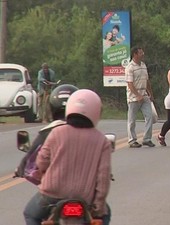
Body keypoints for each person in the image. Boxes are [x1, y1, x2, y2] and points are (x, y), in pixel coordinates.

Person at [22, 89, 112, 225]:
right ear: (96, 112)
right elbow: (103, 178)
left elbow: (42, 161)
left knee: (30, 214)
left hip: (51, 194)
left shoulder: (56, 133)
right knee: (105, 214)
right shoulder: (102, 141)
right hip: (85, 197)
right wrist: (99, 205)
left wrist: (43, 171)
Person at [125, 46, 155, 148]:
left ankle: (147, 139)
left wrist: (150, 93)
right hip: (133, 98)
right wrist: (137, 95)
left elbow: (146, 80)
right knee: (132, 120)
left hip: (144, 96)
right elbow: (130, 83)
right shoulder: (130, 67)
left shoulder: (143, 65)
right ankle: (132, 140)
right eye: (140, 53)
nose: (143, 54)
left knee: (149, 116)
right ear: (135, 54)